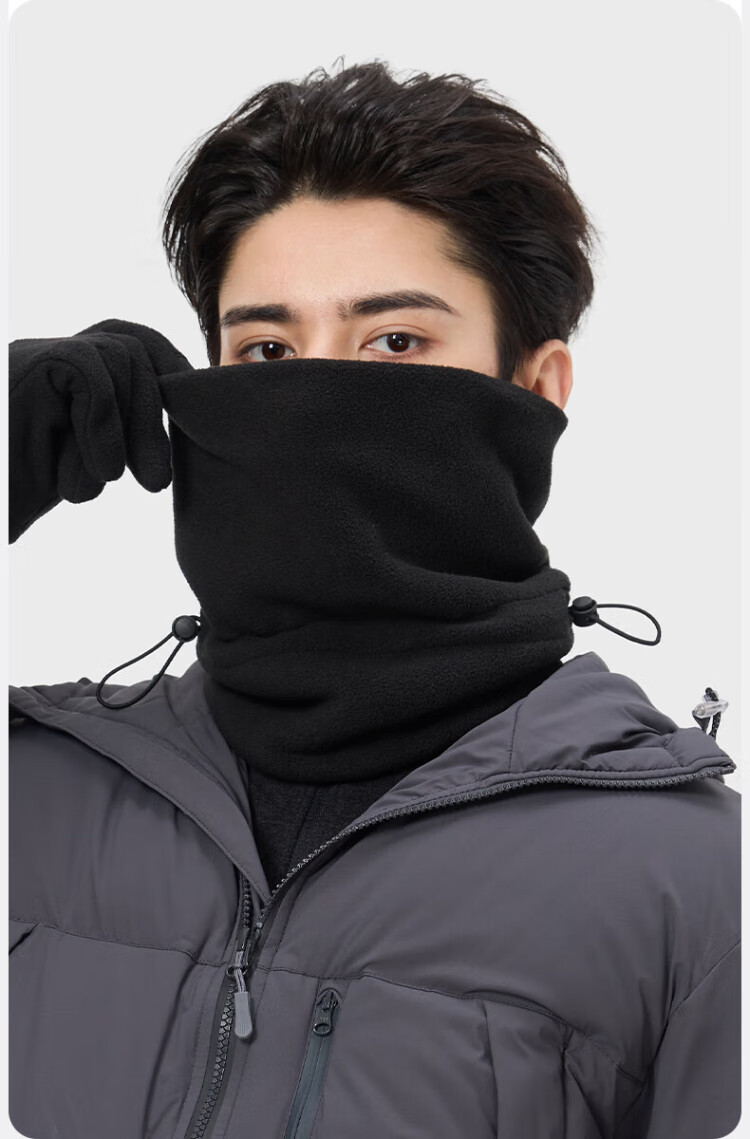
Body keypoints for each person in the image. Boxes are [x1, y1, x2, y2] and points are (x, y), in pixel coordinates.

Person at [8, 59, 740, 1139]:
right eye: (266, 349)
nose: (314, 390)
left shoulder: (693, 882)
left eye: (395, 341)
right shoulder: (32, 789)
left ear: (536, 390)